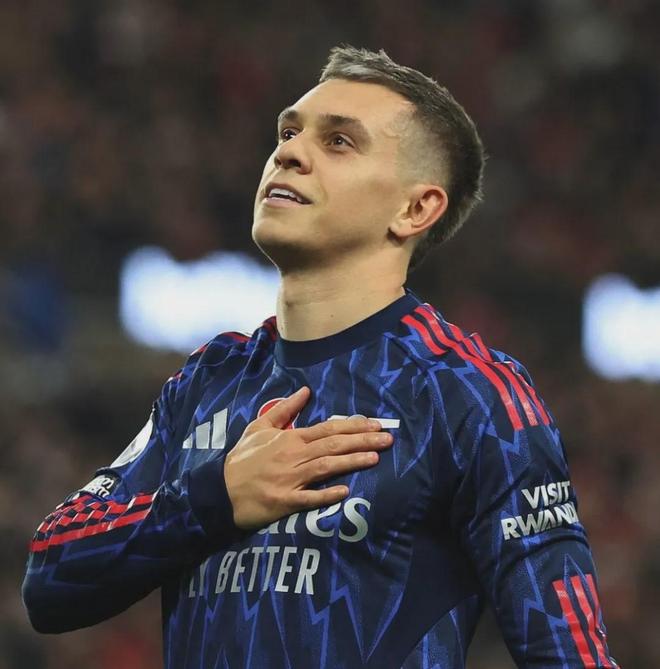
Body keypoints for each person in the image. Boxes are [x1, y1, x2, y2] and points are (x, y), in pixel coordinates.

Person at [22, 45, 618, 668]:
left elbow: (568, 654)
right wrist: (214, 499)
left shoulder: (469, 391)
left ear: (415, 209)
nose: (289, 153)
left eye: (338, 142)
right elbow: (49, 576)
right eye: (288, 132)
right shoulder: (210, 378)